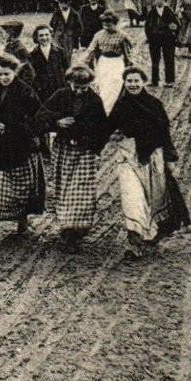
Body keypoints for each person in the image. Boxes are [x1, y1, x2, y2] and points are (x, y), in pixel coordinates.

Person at [107, 67, 191, 257]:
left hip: (153, 156)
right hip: (129, 158)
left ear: (143, 82)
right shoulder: (120, 106)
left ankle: (155, 234)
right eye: (129, 81)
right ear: (124, 83)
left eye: (136, 81)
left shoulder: (154, 104)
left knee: (156, 198)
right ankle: (134, 243)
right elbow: (105, 128)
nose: (133, 84)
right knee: (132, 199)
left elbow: (164, 133)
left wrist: (170, 158)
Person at [0, 54, 51, 243]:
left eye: (7, 74)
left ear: (14, 72)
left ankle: (22, 222)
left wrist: (21, 129)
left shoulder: (25, 91)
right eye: (0, 74)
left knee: (21, 188)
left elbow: (39, 116)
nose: (3, 78)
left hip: (20, 146)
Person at [41, 64, 110, 250]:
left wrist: (93, 148)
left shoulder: (94, 100)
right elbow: (41, 115)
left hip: (84, 151)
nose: (79, 91)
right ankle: (67, 228)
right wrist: (57, 122)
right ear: (69, 82)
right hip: (63, 149)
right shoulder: (61, 95)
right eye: (76, 86)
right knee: (63, 188)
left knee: (80, 190)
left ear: (89, 84)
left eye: (83, 88)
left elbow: (103, 128)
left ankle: (76, 230)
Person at [85, 10, 134, 113]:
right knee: (104, 85)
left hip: (116, 63)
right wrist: (84, 60)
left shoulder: (122, 35)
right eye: (104, 24)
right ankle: (104, 109)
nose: (107, 26)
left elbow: (128, 51)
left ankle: (114, 108)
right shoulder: (99, 35)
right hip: (104, 63)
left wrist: (129, 63)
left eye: (109, 24)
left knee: (116, 83)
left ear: (115, 23)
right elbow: (91, 49)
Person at [27, 23, 70, 101]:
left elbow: (67, 70)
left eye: (46, 35)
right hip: (42, 91)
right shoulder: (32, 55)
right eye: (41, 35)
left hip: (59, 89)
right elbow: (32, 74)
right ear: (36, 37)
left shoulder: (60, 52)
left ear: (51, 35)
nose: (44, 38)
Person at [144, 0, 180, 86]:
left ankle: (170, 81)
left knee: (169, 59)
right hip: (154, 39)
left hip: (167, 39)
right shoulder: (151, 12)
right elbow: (147, 26)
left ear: (165, 1)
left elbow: (176, 24)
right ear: (154, 1)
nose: (159, 1)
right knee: (155, 60)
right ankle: (154, 81)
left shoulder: (169, 11)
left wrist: (174, 35)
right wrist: (149, 37)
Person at [0, 21, 37, 89]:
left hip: (21, 81)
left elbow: (25, 69)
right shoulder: (9, 46)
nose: (3, 34)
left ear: (10, 33)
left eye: (5, 32)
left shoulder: (20, 49)